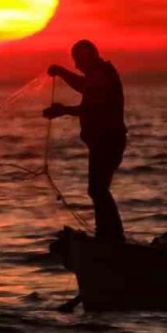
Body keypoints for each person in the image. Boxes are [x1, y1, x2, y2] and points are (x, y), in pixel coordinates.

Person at [43, 40, 127, 242]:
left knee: (97, 189)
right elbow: (84, 86)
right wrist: (62, 72)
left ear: (88, 57)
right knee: (98, 189)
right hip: (103, 141)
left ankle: (110, 236)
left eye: (78, 61)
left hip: (107, 141)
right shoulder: (96, 76)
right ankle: (109, 235)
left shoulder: (101, 75)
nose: (76, 66)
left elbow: (94, 107)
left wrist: (63, 110)